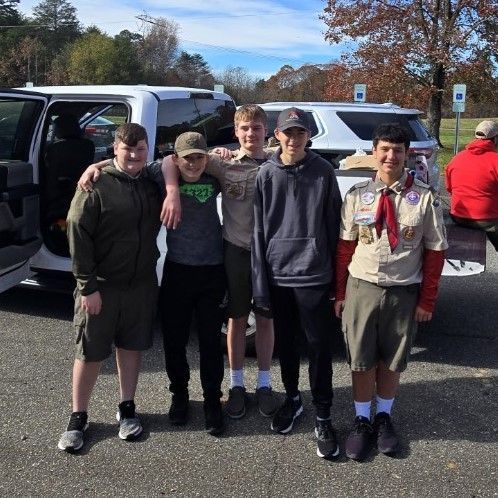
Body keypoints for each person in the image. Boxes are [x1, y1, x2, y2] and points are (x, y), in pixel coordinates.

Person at [334, 123, 448, 461]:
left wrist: (427, 299)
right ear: (374, 151)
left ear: (406, 154)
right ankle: (361, 421)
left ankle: (383, 416)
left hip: (402, 291)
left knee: (392, 360)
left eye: (397, 150)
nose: (390, 156)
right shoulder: (357, 195)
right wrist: (338, 294)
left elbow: (435, 253)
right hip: (362, 287)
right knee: (361, 358)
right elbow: (344, 248)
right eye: (384, 149)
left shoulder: (424, 197)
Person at [161, 104, 278, 421]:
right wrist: (172, 191)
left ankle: (265, 384)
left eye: (256, 127)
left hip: (270, 254)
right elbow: (169, 161)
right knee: (237, 318)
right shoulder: (221, 163)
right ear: (236, 132)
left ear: (265, 130)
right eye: (244, 128)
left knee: (266, 319)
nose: (250, 133)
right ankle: (237, 385)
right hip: (236, 249)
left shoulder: (278, 161)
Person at [57, 123, 161, 453]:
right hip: (101, 285)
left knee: (131, 347)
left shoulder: (151, 180)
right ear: (114, 149)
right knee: (89, 352)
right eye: (127, 149)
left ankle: (127, 408)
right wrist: (87, 287)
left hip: (141, 284)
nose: (134, 155)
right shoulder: (95, 185)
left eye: (140, 149)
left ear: (148, 150)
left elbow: (176, 164)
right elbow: (77, 234)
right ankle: (78, 417)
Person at [251, 107, 343, 459]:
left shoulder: (323, 171)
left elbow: (334, 227)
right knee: (286, 345)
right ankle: (293, 399)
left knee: (319, 345)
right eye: (288, 132)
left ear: (308, 136)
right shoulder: (265, 174)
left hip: (314, 274)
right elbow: (259, 231)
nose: (293, 138)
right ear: (277, 135)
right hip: (277, 275)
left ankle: (323, 413)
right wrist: (260, 284)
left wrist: (338, 280)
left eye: (300, 132)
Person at [150, 132, 227, 435]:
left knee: (210, 341)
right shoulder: (164, 171)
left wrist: (221, 156)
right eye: (187, 158)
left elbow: (247, 159)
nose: (193, 164)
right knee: (174, 338)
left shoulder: (214, 173)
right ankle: (179, 394)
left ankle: (211, 399)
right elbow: (128, 161)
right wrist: (95, 167)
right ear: (176, 158)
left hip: (212, 269)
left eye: (199, 157)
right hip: (178, 268)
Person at [445, 120, 498, 250]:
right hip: (488, 219)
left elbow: (449, 188)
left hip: (458, 217)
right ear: (495, 139)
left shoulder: (457, 158)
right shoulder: (495, 161)